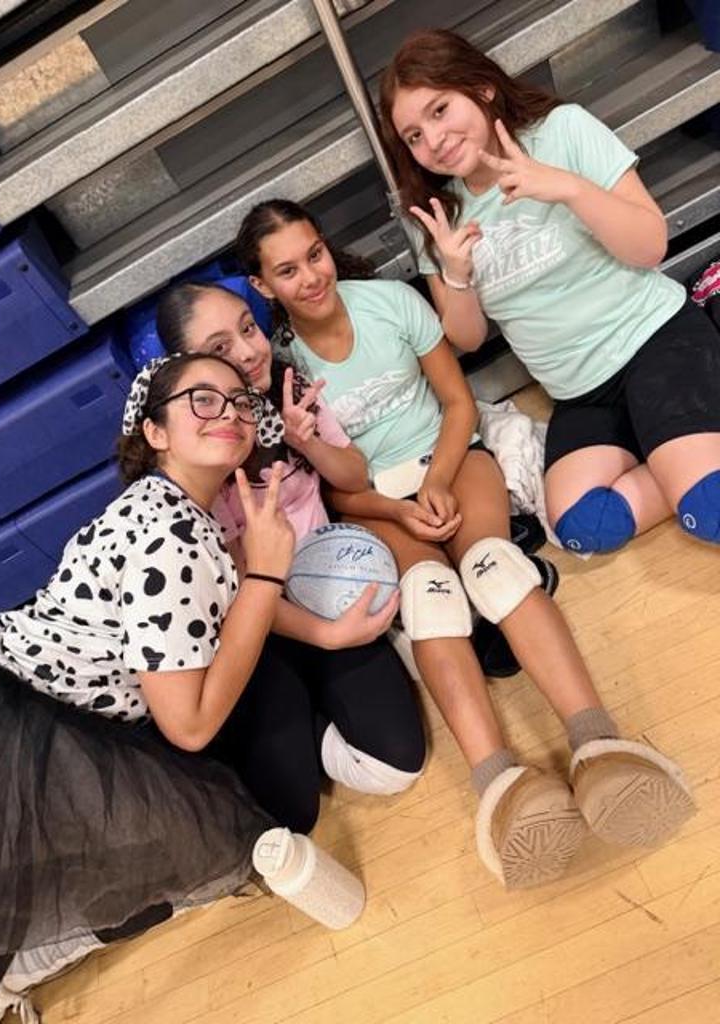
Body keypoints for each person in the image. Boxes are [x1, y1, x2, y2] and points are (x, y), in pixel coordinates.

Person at [234, 197, 696, 891]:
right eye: (288, 270)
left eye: (315, 255)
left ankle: (600, 743)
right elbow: (338, 491)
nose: (311, 277)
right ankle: (502, 786)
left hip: (451, 459)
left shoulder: (391, 303)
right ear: (263, 285)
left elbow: (457, 404)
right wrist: (398, 509)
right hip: (379, 502)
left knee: (493, 567)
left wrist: (438, 481)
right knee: (431, 598)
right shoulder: (284, 374)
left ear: (328, 248)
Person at [0, 351, 301, 1023]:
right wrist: (265, 573)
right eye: (202, 399)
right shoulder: (170, 531)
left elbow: (213, 617)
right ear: (155, 432)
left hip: (23, 694)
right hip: (20, 733)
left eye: (239, 401)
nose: (229, 412)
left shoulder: (171, 506)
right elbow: (190, 726)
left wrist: (305, 612)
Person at [379, 28, 720, 554]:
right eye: (414, 136)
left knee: (709, 508)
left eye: (440, 110)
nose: (435, 140)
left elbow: (651, 245)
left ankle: (686, 453)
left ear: (482, 87)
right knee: (583, 526)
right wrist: (455, 273)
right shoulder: (435, 214)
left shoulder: (562, 130)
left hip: (654, 342)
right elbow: (468, 338)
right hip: (580, 392)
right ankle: (679, 446)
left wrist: (567, 189)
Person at [154, 280, 427, 820]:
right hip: (263, 623)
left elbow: (353, 475)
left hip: (329, 584)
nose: (249, 350)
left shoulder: (289, 387)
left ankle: (326, 697)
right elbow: (242, 588)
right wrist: (327, 635)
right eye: (220, 348)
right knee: (293, 808)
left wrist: (307, 441)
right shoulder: (203, 449)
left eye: (247, 328)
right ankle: (299, 717)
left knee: (397, 762)